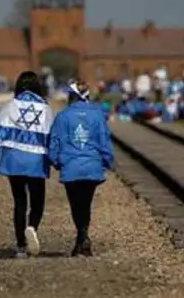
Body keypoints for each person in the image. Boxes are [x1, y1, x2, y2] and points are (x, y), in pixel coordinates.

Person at [0, 71, 54, 259]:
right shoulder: (45, 109)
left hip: (14, 159)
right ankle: (32, 228)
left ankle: (21, 246)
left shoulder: (10, 106)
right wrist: (57, 161)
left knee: (20, 202)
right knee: (37, 203)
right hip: (37, 161)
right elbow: (53, 138)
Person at [48, 80, 114, 256]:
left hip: (71, 167)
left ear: (72, 96)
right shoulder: (98, 115)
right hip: (92, 166)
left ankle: (82, 237)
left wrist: (55, 161)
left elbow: (54, 142)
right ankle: (82, 238)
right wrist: (107, 161)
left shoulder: (62, 116)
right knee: (86, 203)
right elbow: (104, 141)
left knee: (76, 205)